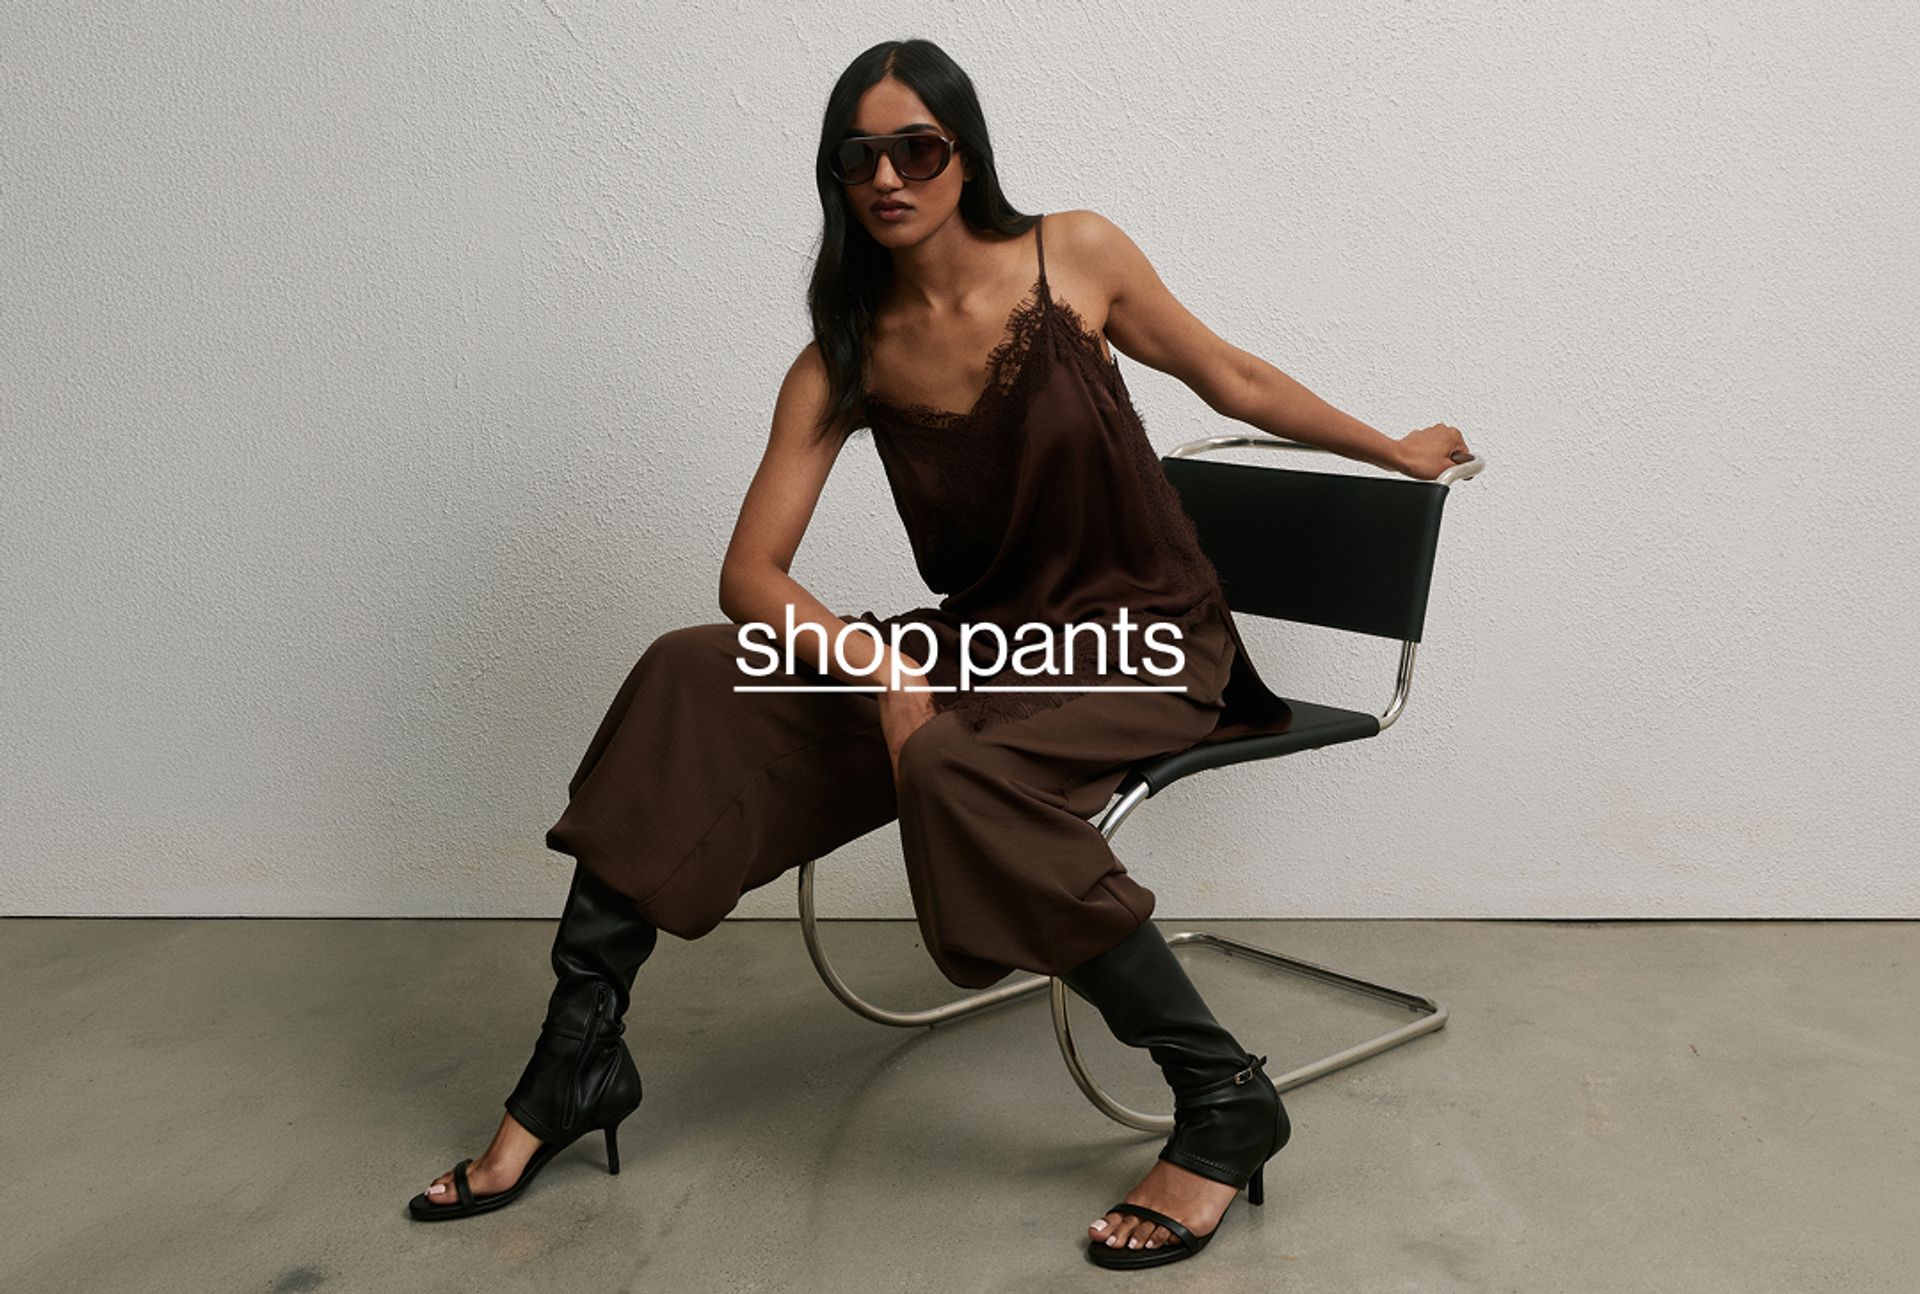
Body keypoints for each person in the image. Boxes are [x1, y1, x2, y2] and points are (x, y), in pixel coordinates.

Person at [407, 38, 1473, 1270]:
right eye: (860, 157)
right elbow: (748, 573)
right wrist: (889, 671)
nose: (890, 177)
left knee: (957, 765)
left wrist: (1388, 448)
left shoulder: (1074, 253)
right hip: (985, 644)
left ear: (965, 157)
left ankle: (1224, 1096)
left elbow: (1228, 375)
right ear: (838, 179)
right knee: (694, 671)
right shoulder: (842, 356)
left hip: (1147, 640)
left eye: (918, 148)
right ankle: (575, 1057)